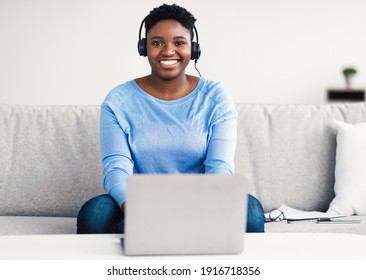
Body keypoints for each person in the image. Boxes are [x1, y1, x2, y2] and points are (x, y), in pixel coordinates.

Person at [77, 3, 265, 234]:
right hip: (139, 202)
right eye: (157, 43)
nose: (168, 51)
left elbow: (219, 166)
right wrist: (137, 209)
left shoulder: (215, 97)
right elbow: (117, 167)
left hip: (203, 201)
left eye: (179, 43)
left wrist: (200, 209)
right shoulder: (118, 101)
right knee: (95, 213)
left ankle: (166, 234)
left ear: (193, 49)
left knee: (251, 210)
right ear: (143, 47)